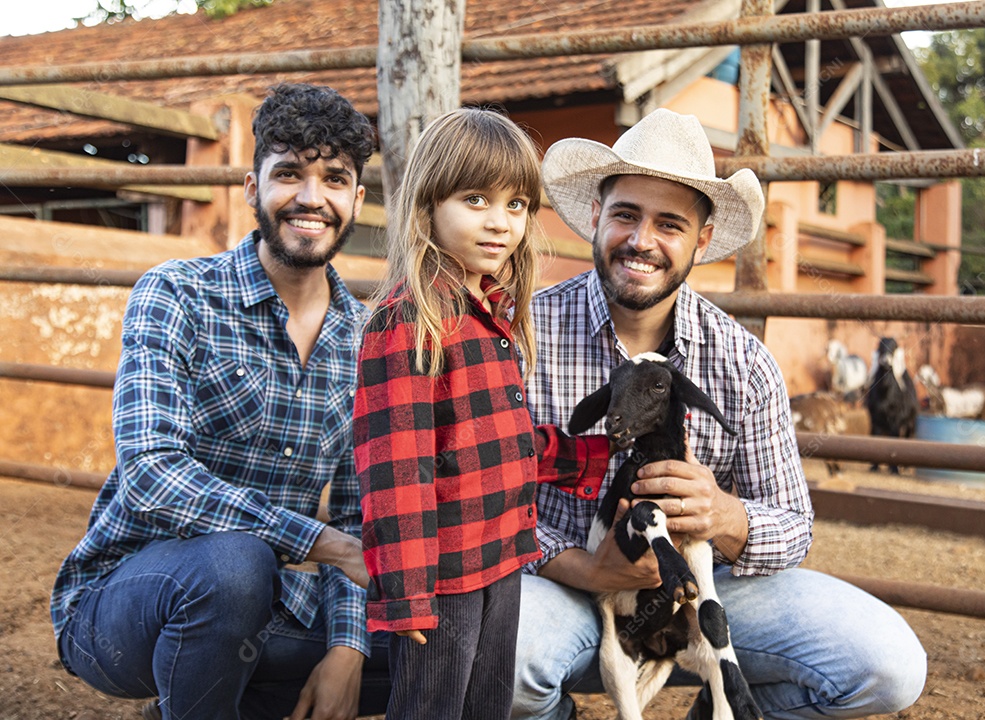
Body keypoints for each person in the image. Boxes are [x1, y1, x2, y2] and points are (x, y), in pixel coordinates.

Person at [512, 108, 928, 719]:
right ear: (596, 217)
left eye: (670, 224)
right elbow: (484, 498)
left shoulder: (742, 361)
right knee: (510, 656)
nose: (642, 241)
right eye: (625, 214)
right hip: (565, 588)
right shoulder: (524, 334)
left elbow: (794, 525)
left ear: (701, 241)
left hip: (705, 593)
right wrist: (582, 565)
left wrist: (725, 515)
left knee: (887, 668)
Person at [51, 83, 391, 720]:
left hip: (264, 612)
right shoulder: (176, 294)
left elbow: (354, 519)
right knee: (237, 563)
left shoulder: (368, 339)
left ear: (358, 199)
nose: (310, 198)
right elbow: (151, 473)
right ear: (251, 187)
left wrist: (346, 650)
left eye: (334, 179)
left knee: (432, 647)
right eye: (288, 173)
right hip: (122, 606)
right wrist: (323, 544)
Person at [350, 108, 610, 720]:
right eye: (476, 199)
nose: (502, 223)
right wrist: (407, 589)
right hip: (442, 572)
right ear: (429, 204)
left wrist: (596, 457)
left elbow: (499, 439)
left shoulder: (490, 314)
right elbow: (395, 469)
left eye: (517, 204)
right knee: (432, 706)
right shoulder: (409, 321)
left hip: (501, 554)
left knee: (486, 704)